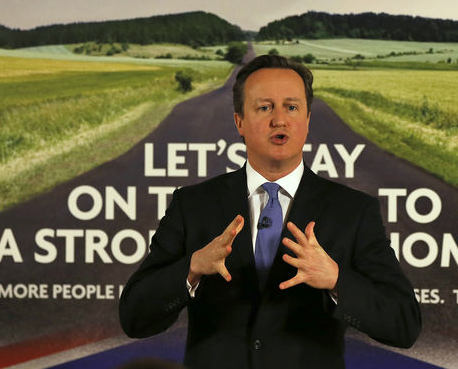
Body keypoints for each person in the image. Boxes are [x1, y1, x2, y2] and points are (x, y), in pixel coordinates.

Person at [119, 54, 421, 369]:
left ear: (307, 120)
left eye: (291, 107)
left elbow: (404, 324)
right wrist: (192, 267)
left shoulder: (353, 211)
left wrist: (336, 279)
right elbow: (134, 318)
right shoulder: (193, 205)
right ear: (240, 122)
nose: (279, 120)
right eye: (264, 108)